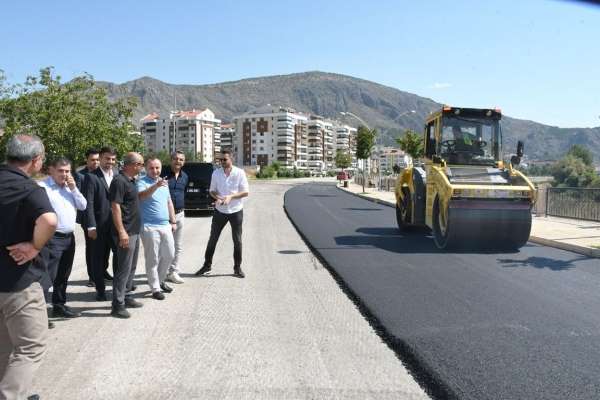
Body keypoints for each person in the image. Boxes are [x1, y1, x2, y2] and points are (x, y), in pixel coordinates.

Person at [0, 134, 57, 400]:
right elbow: (49, 220)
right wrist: (34, 247)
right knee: (30, 348)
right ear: (34, 160)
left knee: (4, 346)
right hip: (18, 283)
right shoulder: (30, 189)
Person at [38, 157, 87, 320]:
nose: (64, 174)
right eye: (60, 170)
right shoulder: (42, 187)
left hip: (69, 238)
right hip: (51, 238)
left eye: (67, 171)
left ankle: (59, 305)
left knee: (63, 275)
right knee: (46, 276)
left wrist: (73, 188)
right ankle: (40, 313)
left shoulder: (69, 188)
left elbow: (83, 205)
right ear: (50, 169)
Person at [195, 149, 249, 278]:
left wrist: (231, 197)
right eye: (220, 160)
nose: (222, 162)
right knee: (213, 239)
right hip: (220, 211)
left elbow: (245, 192)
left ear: (231, 159)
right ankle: (207, 266)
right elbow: (212, 191)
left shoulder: (239, 173)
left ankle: (237, 268)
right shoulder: (216, 173)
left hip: (236, 211)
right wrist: (218, 197)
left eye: (225, 159)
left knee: (237, 241)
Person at [109, 152, 144, 318]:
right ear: (133, 165)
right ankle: (117, 304)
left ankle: (127, 295)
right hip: (126, 232)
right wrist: (122, 231)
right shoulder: (119, 181)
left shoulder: (132, 180)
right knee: (123, 269)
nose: (142, 167)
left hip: (135, 230)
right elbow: (115, 207)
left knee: (132, 267)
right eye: (141, 164)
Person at [137, 158, 177, 300]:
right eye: (152, 168)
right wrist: (156, 186)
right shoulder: (141, 182)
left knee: (169, 254)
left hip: (165, 224)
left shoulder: (163, 182)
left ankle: (160, 281)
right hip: (149, 226)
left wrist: (173, 221)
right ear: (146, 169)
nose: (155, 171)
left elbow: (169, 202)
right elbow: (141, 196)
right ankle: (155, 288)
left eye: (157, 168)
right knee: (152, 258)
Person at [83, 146, 118, 301]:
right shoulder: (91, 177)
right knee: (97, 258)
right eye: (106, 158)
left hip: (116, 225)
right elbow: (88, 203)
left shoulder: (117, 175)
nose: (110, 162)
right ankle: (100, 290)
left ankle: (119, 287)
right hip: (98, 226)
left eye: (112, 159)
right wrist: (91, 225)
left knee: (119, 255)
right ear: (101, 159)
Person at [75, 148, 100, 287]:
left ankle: (102, 271)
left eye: (97, 159)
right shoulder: (80, 175)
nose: (95, 162)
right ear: (87, 160)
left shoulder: (102, 173)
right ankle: (92, 276)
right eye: (92, 160)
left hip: (102, 216)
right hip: (87, 217)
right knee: (91, 248)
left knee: (103, 247)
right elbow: (79, 198)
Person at [163, 151, 188, 284]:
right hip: (164, 216)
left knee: (177, 246)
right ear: (171, 160)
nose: (178, 161)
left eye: (181, 159)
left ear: (184, 162)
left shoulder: (185, 176)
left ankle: (173, 272)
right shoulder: (163, 175)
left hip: (180, 214)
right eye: (176, 159)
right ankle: (160, 273)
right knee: (164, 246)